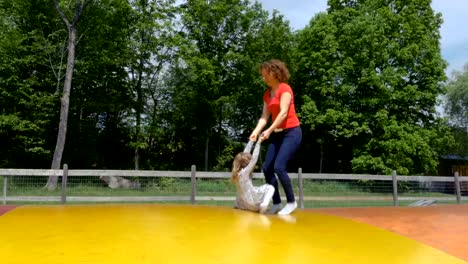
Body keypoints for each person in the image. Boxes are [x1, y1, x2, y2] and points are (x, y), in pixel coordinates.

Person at [249, 59, 302, 215]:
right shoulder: (267, 94)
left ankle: (291, 202)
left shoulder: (285, 89)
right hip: (277, 135)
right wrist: (256, 131)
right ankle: (277, 203)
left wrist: (269, 131)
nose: (263, 77)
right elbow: (264, 117)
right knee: (267, 168)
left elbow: (283, 113)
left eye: (265, 74)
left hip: (292, 132)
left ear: (273, 72)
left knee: (279, 166)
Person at [231, 139, 275, 214]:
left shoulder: (236, 174)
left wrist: (251, 141)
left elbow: (244, 155)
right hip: (253, 204)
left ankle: (260, 206)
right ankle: (264, 204)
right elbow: (254, 158)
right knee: (270, 188)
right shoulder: (245, 172)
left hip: (244, 205)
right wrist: (258, 143)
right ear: (248, 164)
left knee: (240, 194)